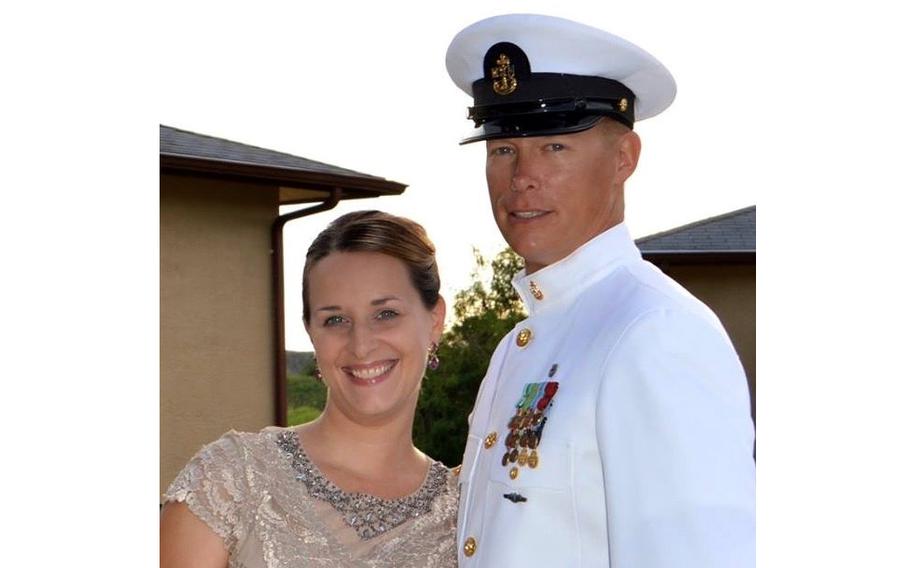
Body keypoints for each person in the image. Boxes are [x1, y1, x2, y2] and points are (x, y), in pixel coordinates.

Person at [446, 14, 756, 567]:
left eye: (554, 147)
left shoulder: (654, 332)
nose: (522, 177)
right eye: (502, 150)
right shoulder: (521, 345)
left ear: (623, 159)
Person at [160, 211, 458, 567]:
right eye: (335, 320)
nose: (361, 345)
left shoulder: (467, 517)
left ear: (435, 320)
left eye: (386, 314)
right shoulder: (230, 481)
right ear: (311, 332)